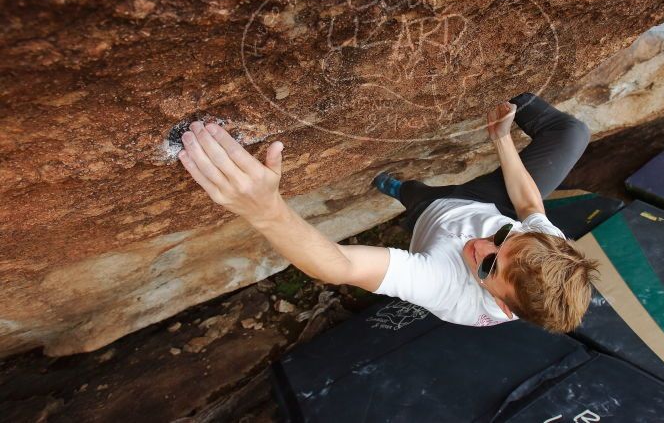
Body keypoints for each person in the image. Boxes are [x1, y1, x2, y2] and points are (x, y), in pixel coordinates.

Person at [177, 93, 598, 332]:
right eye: (505, 240)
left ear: (504, 306)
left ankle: (396, 190)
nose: (479, 244)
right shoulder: (548, 254)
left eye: (488, 265)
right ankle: (513, 89)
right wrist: (501, 138)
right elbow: (527, 207)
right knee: (572, 134)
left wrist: (266, 211)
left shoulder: (450, 289)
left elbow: (339, 266)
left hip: (432, 216)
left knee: (415, 195)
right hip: (489, 201)